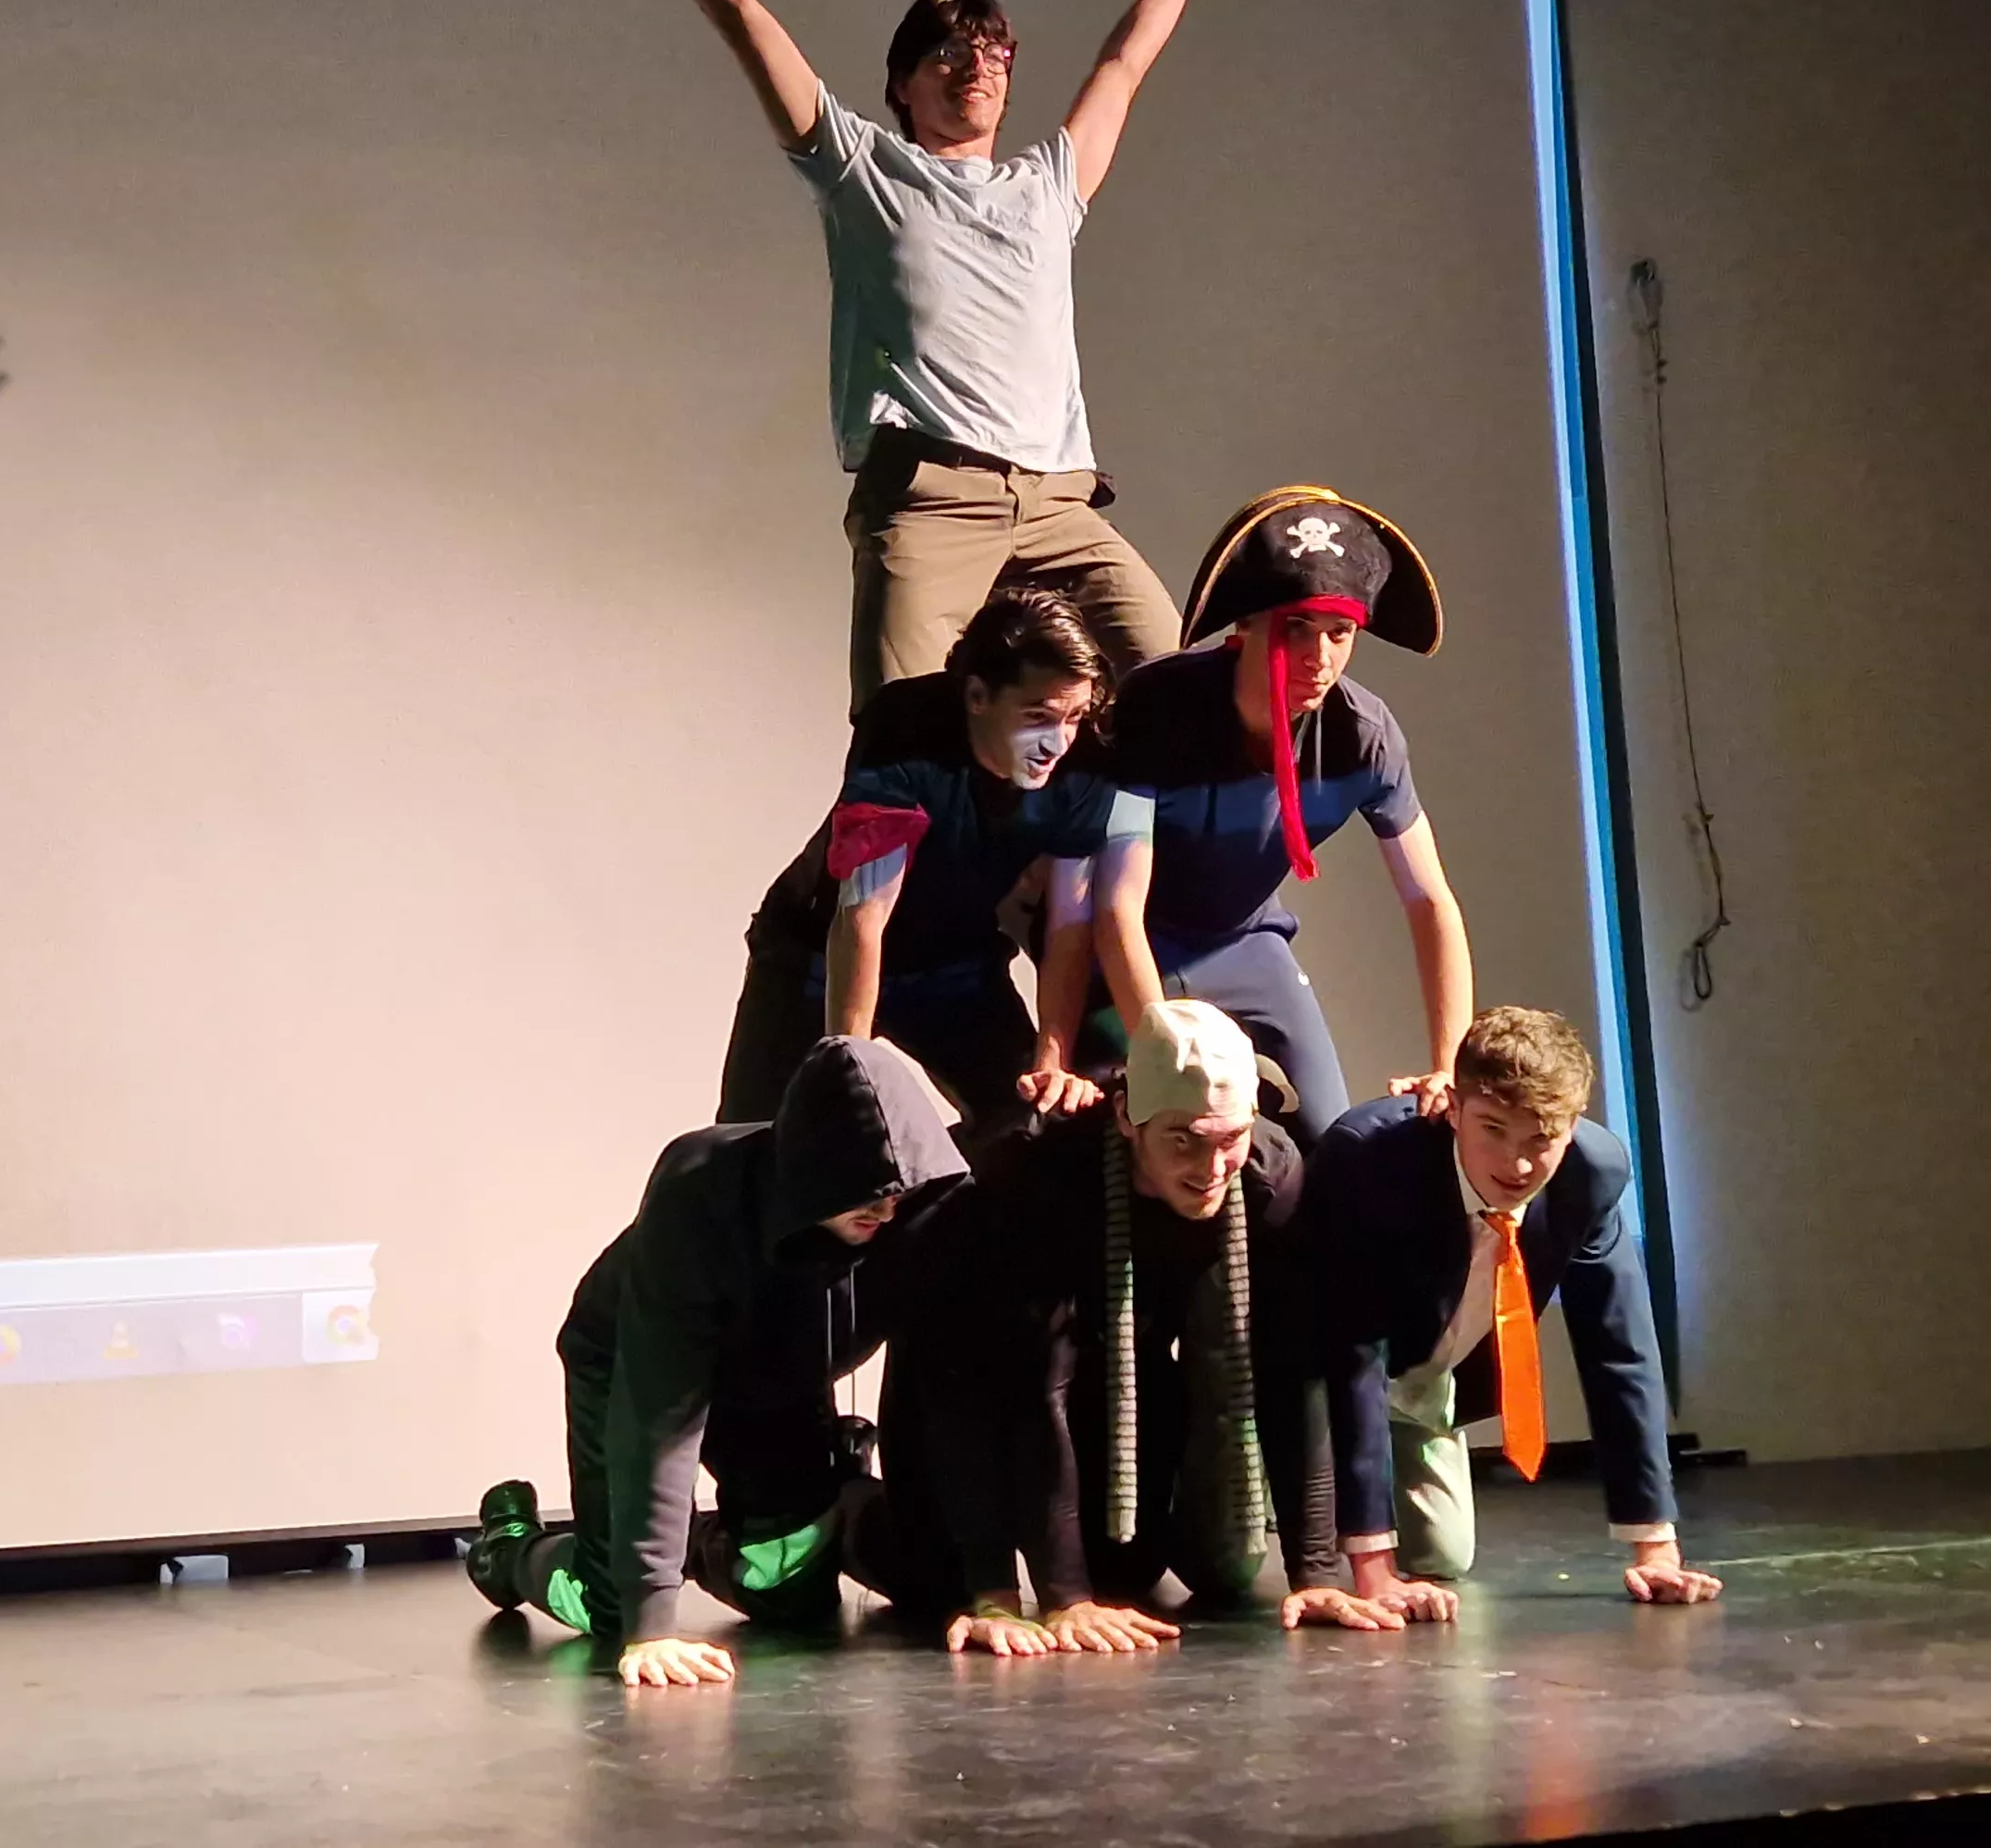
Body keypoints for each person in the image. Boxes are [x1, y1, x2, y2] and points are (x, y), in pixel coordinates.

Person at [567, 0, 1221, 711]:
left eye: (994, 51)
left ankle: (1081, 859)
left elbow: (1122, 66)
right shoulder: (862, 169)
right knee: (899, 745)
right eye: (948, 52)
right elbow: (743, 17)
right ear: (902, 87)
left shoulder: (1046, 186)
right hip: (930, 501)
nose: (976, 65)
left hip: (1058, 507)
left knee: (1176, 691)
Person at [467, 1037, 983, 1686]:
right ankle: (506, 1548)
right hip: (630, 1362)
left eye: (896, 1194)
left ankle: (732, 1531)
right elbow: (657, 1412)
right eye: (867, 1196)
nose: (885, 1210)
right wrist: (652, 1622)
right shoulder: (699, 1191)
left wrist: (980, 1591)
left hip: (778, 1378)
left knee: (788, 1592)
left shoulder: (920, 1212)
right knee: (611, 1606)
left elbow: (948, 1392)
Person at [921, 1001, 1402, 1653]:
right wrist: (1059, 1598)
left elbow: (1293, 1371)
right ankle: (854, 1512)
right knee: (928, 1577)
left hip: (1127, 1373)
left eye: (1227, 1139)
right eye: (1183, 1139)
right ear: (1127, 1117)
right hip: (966, 1388)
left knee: (1133, 1572)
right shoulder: (1044, 1174)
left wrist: (1314, 1572)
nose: (1209, 1169)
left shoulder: (1269, 1178)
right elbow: (1034, 1390)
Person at [1070, 486, 1472, 1130]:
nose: (1319, 658)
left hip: (1248, 942)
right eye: (1298, 630)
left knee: (1333, 1137)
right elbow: (1116, 904)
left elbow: (1429, 900)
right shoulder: (1160, 707)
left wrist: (1449, 1063)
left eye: (1340, 634)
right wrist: (1164, 1048)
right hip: (1131, 940)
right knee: (1129, 1130)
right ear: (1247, 624)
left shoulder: (1364, 735)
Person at [1305, 1009, 1723, 1619]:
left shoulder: (1592, 1173)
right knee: (1227, 1559)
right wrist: (1375, 1571)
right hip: (1312, 1377)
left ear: (1572, 1127)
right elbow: (1351, 1349)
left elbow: (1618, 1348)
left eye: (1540, 1139)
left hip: (1424, 1384)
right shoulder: (1371, 1161)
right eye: (1493, 1130)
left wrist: (1656, 1550)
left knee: (1444, 1556)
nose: (1517, 1164)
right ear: (1453, 1108)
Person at [715, 589, 1120, 1137]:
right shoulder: (905, 727)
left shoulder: (1087, 758)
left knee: (1030, 1125)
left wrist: (1051, 1061)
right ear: (978, 696)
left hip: (953, 967)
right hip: (815, 959)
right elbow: (863, 916)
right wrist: (847, 1070)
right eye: (1037, 716)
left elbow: (1070, 925)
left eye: (1073, 716)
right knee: (756, 1144)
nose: (1058, 742)